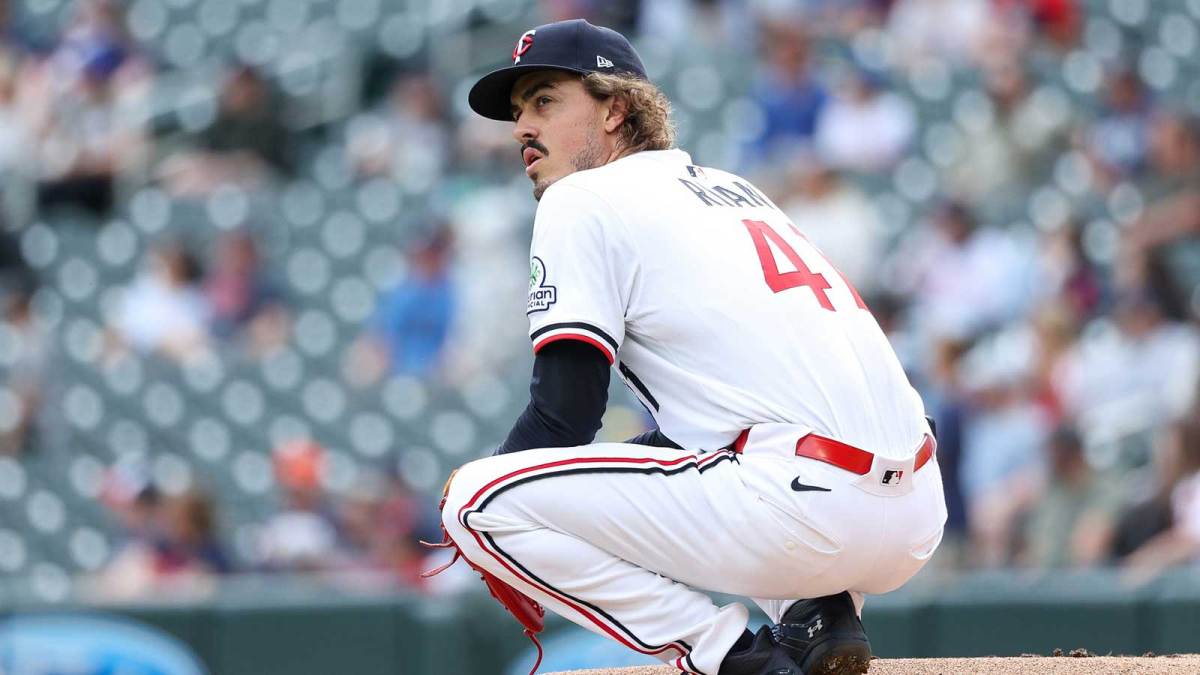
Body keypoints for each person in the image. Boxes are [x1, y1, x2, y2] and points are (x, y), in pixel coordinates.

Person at [432, 20, 946, 675]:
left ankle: (731, 656)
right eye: (517, 112)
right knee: (703, 437)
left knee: (473, 502)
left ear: (616, 108)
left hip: (800, 510)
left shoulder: (581, 199)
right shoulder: (740, 192)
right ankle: (818, 612)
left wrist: (508, 510)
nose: (521, 129)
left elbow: (565, 415)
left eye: (544, 101)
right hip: (915, 510)